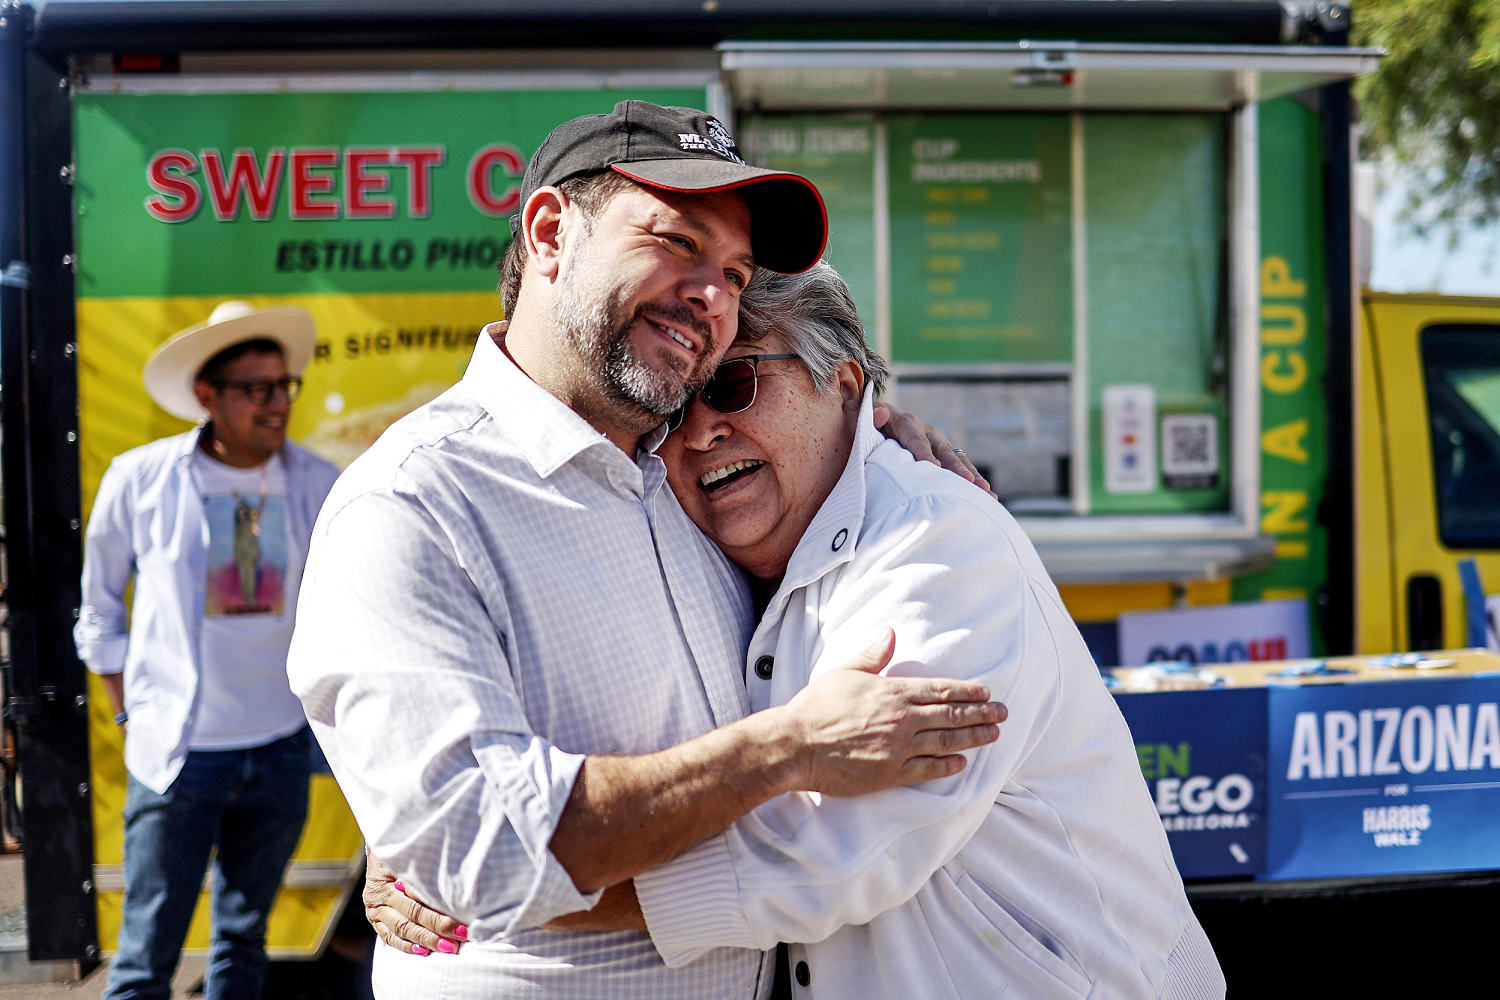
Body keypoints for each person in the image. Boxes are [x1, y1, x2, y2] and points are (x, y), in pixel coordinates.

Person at [287, 100, 1003, 1000]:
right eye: (676, 241)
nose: (713, 297)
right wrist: (786, 748)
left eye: (736, 274)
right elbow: (480, 850)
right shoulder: (415, 504)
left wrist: (873, 432)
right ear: (550, 232)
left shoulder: (690, 481)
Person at [374, 262, 1228, 997]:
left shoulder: (939, 545)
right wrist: (441, 834)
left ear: (846, 383)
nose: (701, 429)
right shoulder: (722, 545)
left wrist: (511, 883)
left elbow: (822, 854)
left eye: (737, 382)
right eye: (673, 411)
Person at [74, 301, 340, 1000]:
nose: (275, 403)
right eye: (255, 388)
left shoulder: (317, 483)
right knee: (145, 957)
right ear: (206, 396)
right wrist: (131, 715)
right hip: (180, 756)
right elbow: (99, 608)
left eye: (283, 386)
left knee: (244, 943)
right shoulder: (141, 479)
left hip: (279, 749)